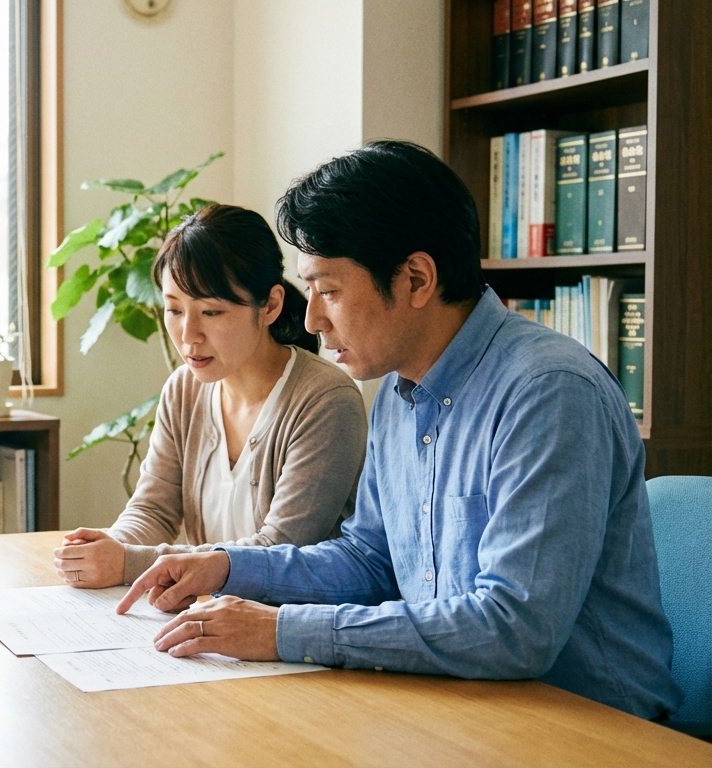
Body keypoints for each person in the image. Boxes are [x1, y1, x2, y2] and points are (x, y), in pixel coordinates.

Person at [117, 141, 682, 720]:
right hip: (458, 704)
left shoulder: (550, 393)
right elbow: (369, 560)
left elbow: (514, 629)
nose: (310, 320)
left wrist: (281, 629)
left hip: (584, 725)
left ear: (416, 278)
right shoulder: (397, 391)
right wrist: (229, 565)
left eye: (329, 290)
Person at [54, 205, 367, 589]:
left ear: (270, 305)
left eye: (212, 312)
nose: (188, 335)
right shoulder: (184, 389)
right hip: (211, 620)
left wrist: (128, 563)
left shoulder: (326, 400)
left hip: (289, 627)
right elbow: (153, 509)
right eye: (173, 309)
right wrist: (110, 546)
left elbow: (281, 549)